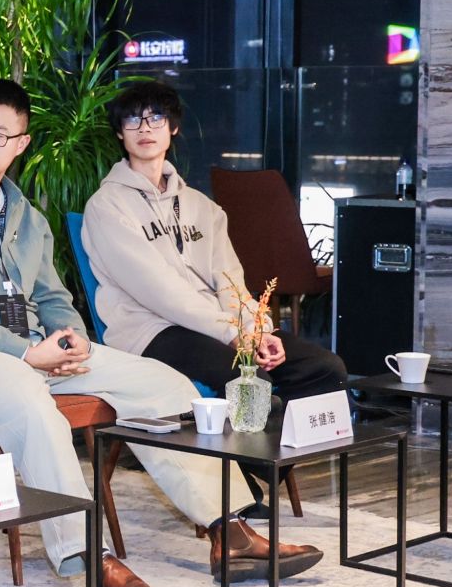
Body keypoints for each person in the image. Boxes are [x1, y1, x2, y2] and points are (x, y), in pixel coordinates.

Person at [0, 79, 322, 587]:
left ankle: (229, 530)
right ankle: (90, 556)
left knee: (165, 385)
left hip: (33, 351)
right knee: (31, 403)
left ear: (21, 144)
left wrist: (70, 338)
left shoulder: (23, 213)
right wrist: (27, 354)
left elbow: (51, 295)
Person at [81, 77, 349, 409]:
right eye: (133, 119)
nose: (145, 128)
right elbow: (157, 290)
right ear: (120, 133)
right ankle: (250, 443)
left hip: (219, 327)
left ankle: (276, 444)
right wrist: (231, 333)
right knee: (250, 383)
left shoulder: (201, 206)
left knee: (324, 368)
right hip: (153, 330)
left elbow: (230, 281)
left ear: (173, 128)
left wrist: (256, 330)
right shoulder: (107, 206)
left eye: (156, 117)